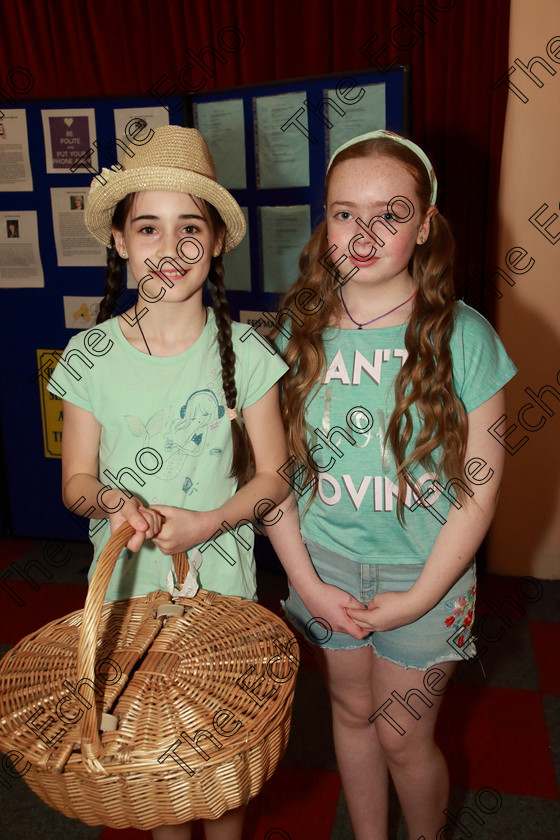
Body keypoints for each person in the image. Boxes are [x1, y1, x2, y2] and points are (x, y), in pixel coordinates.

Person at [267, 130, 517, 840]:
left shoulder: (464, 338)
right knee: (350, 715)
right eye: (346, 213)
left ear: (426, 222)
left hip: (425, 576)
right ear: (325, 221)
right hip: (325, 567)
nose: (364, 233)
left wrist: (421, 595)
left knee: (404, 736)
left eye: (391, 213)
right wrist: (307, 584)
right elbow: (274, 475)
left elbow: (481, 488)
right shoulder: (297, 332)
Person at [47, 125, 288, 840]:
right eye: (148, 227)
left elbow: (274, 477)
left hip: (222, 599)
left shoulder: (246, 351)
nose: (170, 248)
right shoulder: (90, 354)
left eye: (191, 228)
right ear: (119, 241)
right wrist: (114, 501)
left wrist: (210, 520)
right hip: (126, 598)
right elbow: (77, 484)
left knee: (220, 771)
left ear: (215, 242)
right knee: (155, 771)